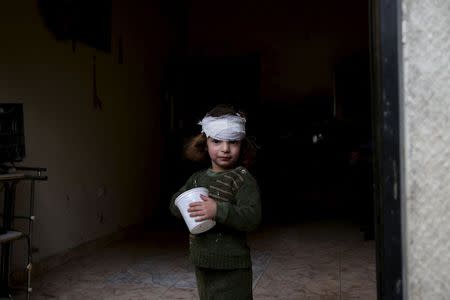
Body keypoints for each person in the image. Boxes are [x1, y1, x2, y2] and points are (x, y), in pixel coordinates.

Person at [169, 105, 262, 300]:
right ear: (205, 143)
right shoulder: (196, 179)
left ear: (242, 145)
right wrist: (183, 206)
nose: (225, 149)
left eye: (233, 142)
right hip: (203, 261)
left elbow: (253, 217)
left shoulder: (243, 179)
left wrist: (217, 210)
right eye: (217, 141)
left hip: (233, 266)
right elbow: (175, 203)